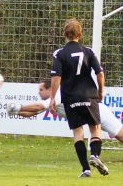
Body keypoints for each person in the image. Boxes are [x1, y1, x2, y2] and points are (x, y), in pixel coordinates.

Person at [6, 80, 123, 161]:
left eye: (41, 89)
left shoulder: (58, 94)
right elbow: (34, 112)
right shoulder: (53, 100)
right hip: (91, 112)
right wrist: (17, 112)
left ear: (49, 89)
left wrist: (19, 106)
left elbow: (36, 106)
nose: (39, 92)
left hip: (96, 112)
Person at [49, 18, 108, 177]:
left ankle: (85, 169)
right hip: (89, 95)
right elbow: (100, 73)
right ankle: (95, 155)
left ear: (64, 34)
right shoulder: (88, 51)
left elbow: (56, 78)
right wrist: (101, 91)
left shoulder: (59, 53)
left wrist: (52, 98)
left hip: (70, 97)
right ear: (80, 34)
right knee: (95, 129)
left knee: (77, 132)